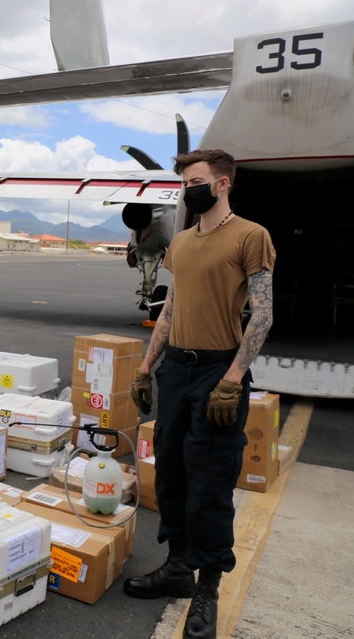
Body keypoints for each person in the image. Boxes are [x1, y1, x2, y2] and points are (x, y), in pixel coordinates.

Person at [125, 149, 275, 639]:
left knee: (210, 484)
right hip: (177, 371)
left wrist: (233, 379)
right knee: (170, 473)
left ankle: (207, 589)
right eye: (184, 182)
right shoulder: (182, 243)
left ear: (223, 182)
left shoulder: (251, 236)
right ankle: (176, 569)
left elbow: (264, 312)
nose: (187, 188)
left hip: (218, 371)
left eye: (194, 180)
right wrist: (146, 368)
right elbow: (170, 310)